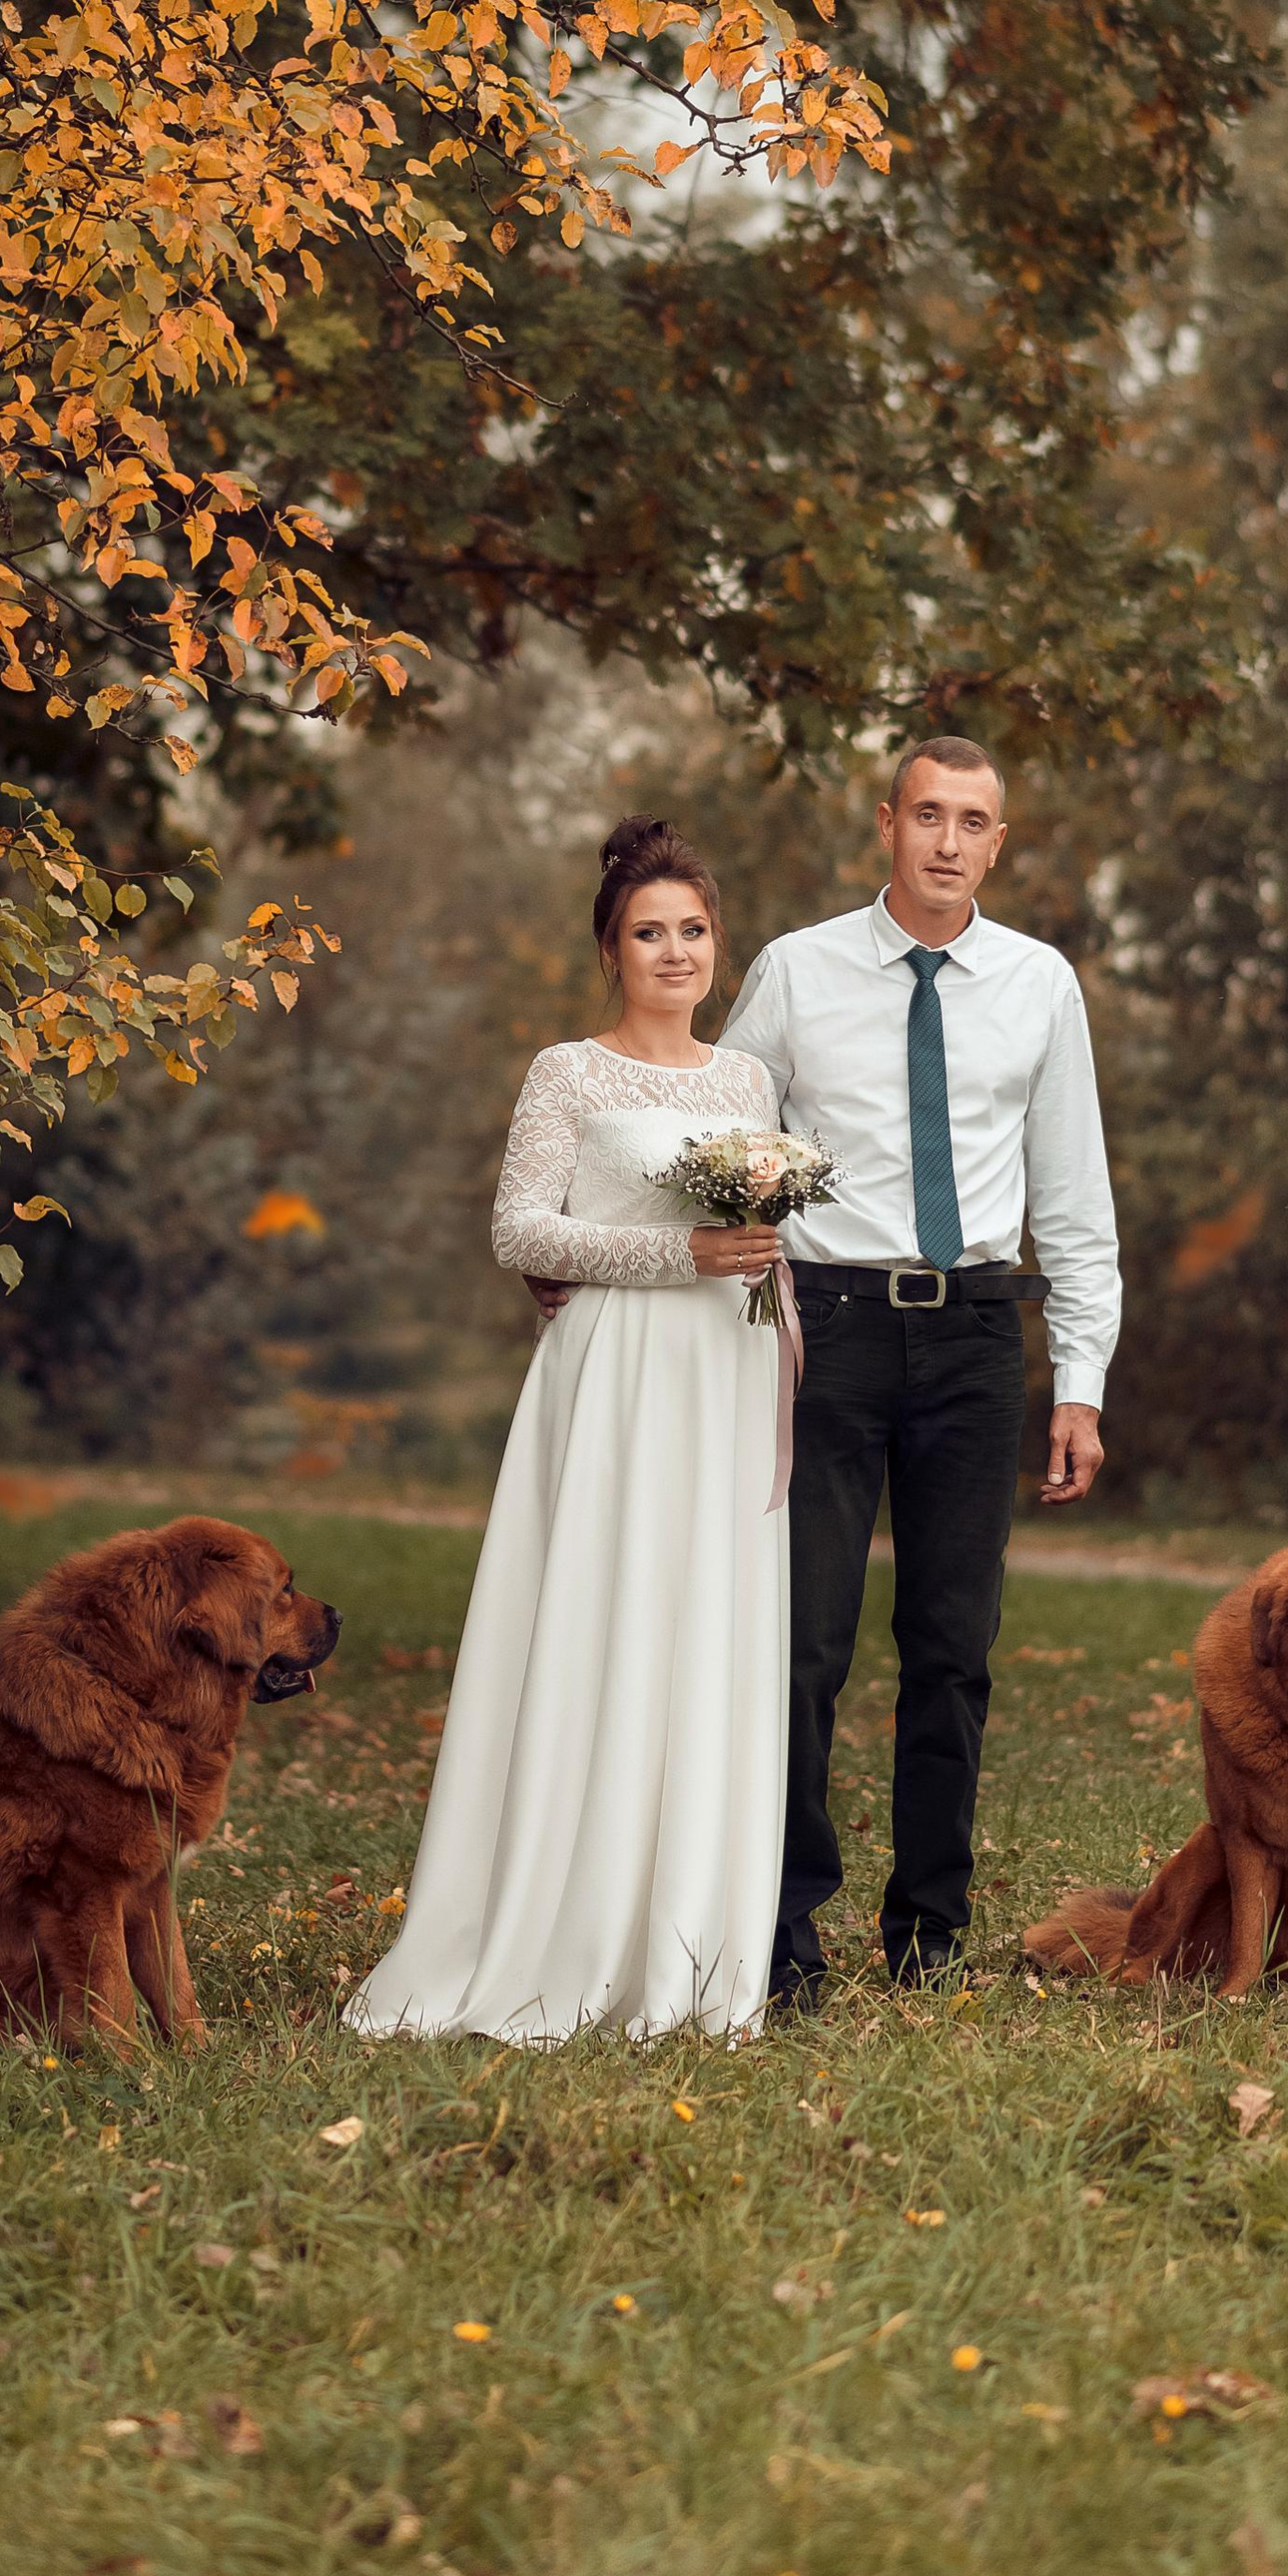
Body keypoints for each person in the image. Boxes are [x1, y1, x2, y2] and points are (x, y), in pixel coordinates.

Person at [343, 817, 790, 2044]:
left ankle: (689, 1943)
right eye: (649, 933)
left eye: (692, 931)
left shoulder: (747, 1082)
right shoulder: (567, 1072)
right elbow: (522, 1233)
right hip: (612, 1380)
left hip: (725, 1379)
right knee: (604, 1616)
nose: (674, 952)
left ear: (718, 944)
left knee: (706, 1629)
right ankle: (556, 1922)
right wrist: (677, 1253)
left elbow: (761, 1225)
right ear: (610, 948)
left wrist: (753, 1261)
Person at [723, 733, 1120, 2010]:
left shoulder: (1037, 983)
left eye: (975, 822)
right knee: (804, 1648)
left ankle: (927, 1932)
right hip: (826, 1333)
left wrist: (1080, 1381)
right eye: (928, 815)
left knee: (953, 1649)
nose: (949, 842)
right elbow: (719, 1145)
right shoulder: (796, 971)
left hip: (972, 1340)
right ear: (886, 823)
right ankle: (786, 1929)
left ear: (998, 842)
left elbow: (1074, 1201)